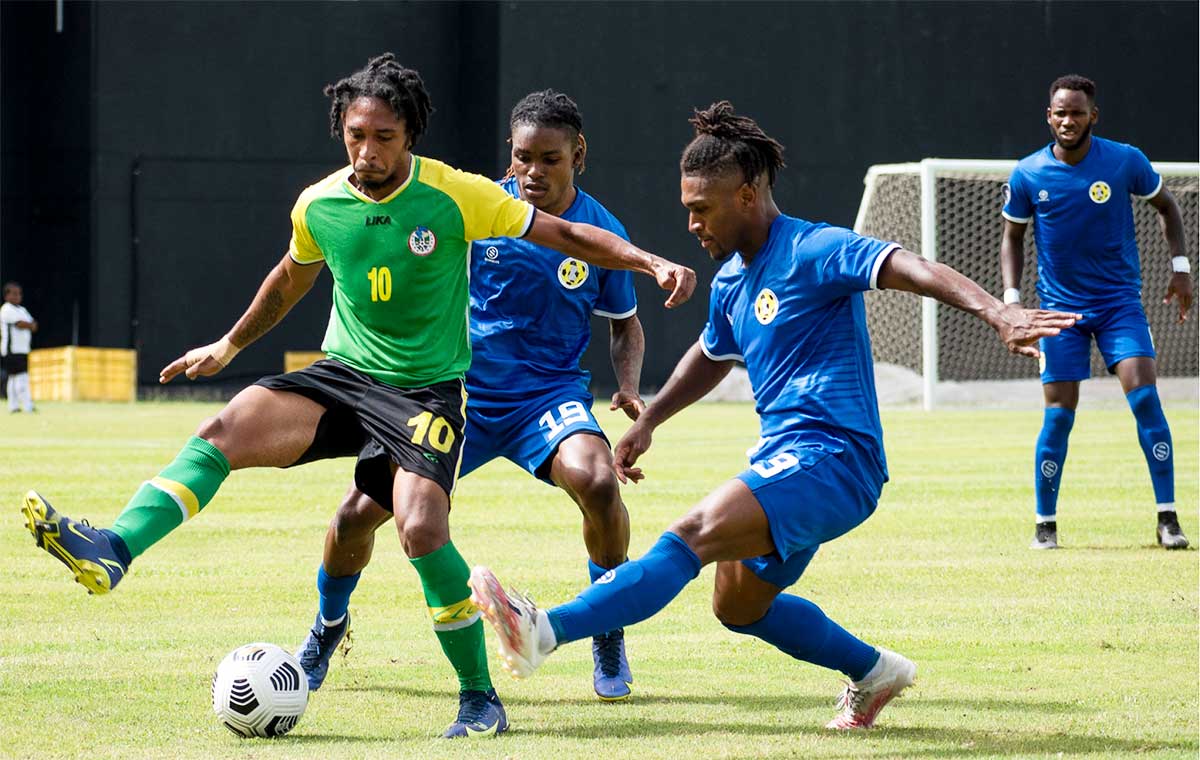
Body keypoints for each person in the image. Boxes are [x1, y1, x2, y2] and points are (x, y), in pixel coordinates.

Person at [19, 54, 695, 739]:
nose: (366, 152)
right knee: (231, 434)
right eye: (354, 135)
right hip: (345, 377)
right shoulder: (320, 203)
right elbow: (290, 276)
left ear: (412, 138)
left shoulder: (460, 195)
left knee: (423, 530)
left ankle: (481, 697)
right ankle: (118, 547)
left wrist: (650, 261)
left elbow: (572, 235)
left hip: (431, 395)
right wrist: (227, 346)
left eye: (383, 138)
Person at [467, 101, 1078, 731]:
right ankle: (875, 672)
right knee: (739, 607)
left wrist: (995, 311)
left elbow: (913, 268)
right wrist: (649, 423)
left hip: (836, 458)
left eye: (702, 209)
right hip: (786, 460)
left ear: (748, 194)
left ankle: (544, 631)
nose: (692, 223)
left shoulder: (815, 248)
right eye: (686, 208)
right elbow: (710, 356)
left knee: (691, 534)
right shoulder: (732, 280)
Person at [295, 89, 644, 727]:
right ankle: (326, 626)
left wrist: (626, 385)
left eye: (549, 158)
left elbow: (624, 323)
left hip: (549, 396)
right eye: (521, 158)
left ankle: (606, 624)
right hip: (457, 395)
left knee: (596, 482)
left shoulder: (601, 233)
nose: (532, 172)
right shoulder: (475, 209)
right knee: (353, 519)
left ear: (579, 156)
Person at [999, 74, 1193, 551]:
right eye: (1060, 112)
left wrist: (1181, 268)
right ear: (1049, 116)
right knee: (1059, 416)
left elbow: (1167, 207)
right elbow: (1012, 238)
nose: (1068, 120)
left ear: (1093, 116)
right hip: (1058, 313)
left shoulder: (1125, 160)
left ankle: (1168, 518)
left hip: (1118, 306)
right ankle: (1045, 523)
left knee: (1145, 400)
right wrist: (1012, 303)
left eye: (1077, 112)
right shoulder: (1028, 174)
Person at [1, 281, 38, 413]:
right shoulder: (6, 309)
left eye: (19, 294)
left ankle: (14, 406)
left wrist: (30, 324)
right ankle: (28, 406)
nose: (17, 296)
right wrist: (29, 324)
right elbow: (21, 324)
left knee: (13, 378)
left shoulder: (22, 310)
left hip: (23, 349)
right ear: (6, 296)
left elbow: (33, 323)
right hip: (12, 351)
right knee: (21, 377)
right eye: (14, 294)